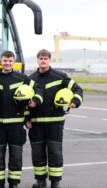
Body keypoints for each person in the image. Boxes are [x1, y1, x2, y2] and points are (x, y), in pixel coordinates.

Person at [27, 49, 83, 188]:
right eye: (41, 58)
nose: (43, 60)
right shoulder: (31, 79)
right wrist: (26, 118)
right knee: (37, 153)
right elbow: (25, 101)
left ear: (49, 60)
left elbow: (77, 89)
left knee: (55, 153)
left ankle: (55, 182)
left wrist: (75, 101)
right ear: (37, 60)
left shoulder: (60, 76)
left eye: (46, 58)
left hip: (55, 123)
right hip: (36, 124)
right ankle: (40, 181)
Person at [0, 51, 43, 188]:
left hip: (16, 125)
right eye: (5, 61)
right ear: (0, 62)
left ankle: (14, 183)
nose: (7, 63)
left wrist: (35, 101)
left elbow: (38, 89)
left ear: (13, 62)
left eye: (10, 61)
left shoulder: (23, 78)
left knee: (16, 157)